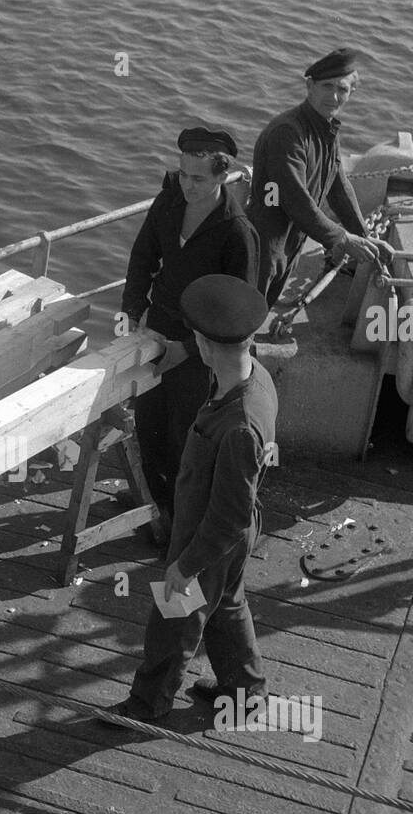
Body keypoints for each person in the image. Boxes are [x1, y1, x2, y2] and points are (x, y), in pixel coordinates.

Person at [105, 275, 276, 725]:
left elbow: (229, 517)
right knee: (225, 605)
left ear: (203, 343)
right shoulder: (253, 378)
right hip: (224, 535)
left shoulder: (238, 427)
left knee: (172, 617)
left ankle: (146, 704)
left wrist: (187, 565)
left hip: (209, 536)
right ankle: (245, 693)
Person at [121, 125, 259, 524]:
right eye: (183, 174)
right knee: (149, 426)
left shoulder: (237, 233)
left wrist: (190, 348)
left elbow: (241, 314)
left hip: (204, 351)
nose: (187, 185)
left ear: (222, 176)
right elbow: (142, 257)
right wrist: (133, 311)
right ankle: (158, 507)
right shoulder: (168, 204)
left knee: (187, 439)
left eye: (198, 178)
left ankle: (185, 523)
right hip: (158, 331)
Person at [248, 47, 392, 307]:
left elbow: (338, 187)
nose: (334, 97)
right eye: (327, 86)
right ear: (310, 86)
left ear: (352, 92)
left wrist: (365, 235)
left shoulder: (326, 130)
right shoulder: (288, 133)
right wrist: (344, 239)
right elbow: (295, 200)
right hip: (265, 242)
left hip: (291, 240)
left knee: (261, 307)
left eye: (343, 89)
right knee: (247, 310)